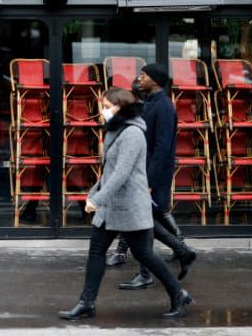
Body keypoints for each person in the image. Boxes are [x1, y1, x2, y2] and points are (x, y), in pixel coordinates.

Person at [58, 88, 193, 320]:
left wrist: (97, 200)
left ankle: (178, 293)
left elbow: (121, 173)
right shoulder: (116, 130)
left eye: (107, 106)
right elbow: (109, 171)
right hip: (112, 206)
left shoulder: (132, 133)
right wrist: (94, 193)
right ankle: (86, 303)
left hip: (130, 205)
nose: (103, 111)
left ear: (121, 107)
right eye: (102, 106)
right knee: (96, 252)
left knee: (144, 254)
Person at [118, 63, 197, 290]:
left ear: (155, 80)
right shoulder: (149, 102)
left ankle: (148, 272)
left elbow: (163, 149)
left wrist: (149, 183)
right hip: (145, 173)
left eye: (143, 76)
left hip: (153, 176)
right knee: (146, 223)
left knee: (142, 224)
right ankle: (182, 252)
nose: (139, 78)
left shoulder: (164, 107)